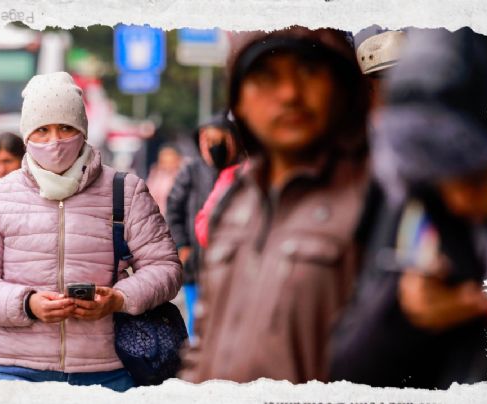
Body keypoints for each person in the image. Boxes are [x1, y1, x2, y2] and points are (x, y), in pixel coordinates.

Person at [179, 26, 370, 384]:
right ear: (239, 102)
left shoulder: (376, 197)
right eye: (266, 76)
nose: (289, 94)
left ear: (341, 88)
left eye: (309, 71)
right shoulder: (235, 199)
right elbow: (205, 340)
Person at [0, 72, 182, 391]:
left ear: (82, 130)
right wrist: (27, 304)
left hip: (108, 372)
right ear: (27, 135)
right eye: (42, 130)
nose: (55, 141)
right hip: (16, 372)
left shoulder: (125, 191)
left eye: (66, 128)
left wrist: (119, 299)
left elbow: (166, 268)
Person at [329, 27, 487, 388]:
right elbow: (351, 360)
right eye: (378, 84)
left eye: (473, 175)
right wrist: (408, 312)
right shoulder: (410, 191)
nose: (459, 199)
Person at [166, 115, 240, 339]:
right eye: (206, 138)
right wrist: (182, 245)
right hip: (196, 263)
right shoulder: (191, 171)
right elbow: (174, 209)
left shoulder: (242, 171)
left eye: (219, 139)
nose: (211, 145)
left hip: (233, 266)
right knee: (197, 323)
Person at [146, 144, 182, 217]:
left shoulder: (182, 177)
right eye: (164, 162)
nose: (167, 166)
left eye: (170, 162)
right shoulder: (155, 175)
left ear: (178, 160)